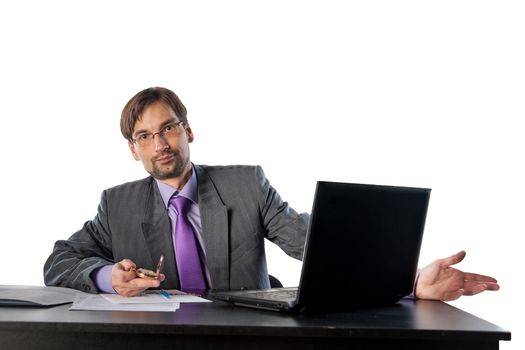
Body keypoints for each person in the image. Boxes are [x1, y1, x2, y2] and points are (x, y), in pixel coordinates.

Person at [44, 87, 500, 300]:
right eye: (145, 136)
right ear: (133, 149)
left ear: (188, 130)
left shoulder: (246, 184)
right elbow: (59, 261)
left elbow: (316, 244)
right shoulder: (117, 203)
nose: (160, 143)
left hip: (249, 339)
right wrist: (107, 277)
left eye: (168, 128)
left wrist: (413, 280)